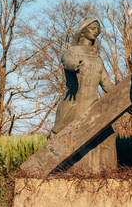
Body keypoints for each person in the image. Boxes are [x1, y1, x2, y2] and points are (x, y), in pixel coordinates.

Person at [50, 18, 117, 172]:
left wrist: (126, 100)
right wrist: (74, 66)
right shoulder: (72, 52)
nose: (96, 31)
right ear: (83, 30)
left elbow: (106, 84)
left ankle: (105, 174)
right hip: (75, 105)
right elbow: (67, 62)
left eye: (98, 29)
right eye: (93, 28)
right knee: (73, 142)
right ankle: (75, 174)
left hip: (93, 105)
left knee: (108, 137)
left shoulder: (97, 59)